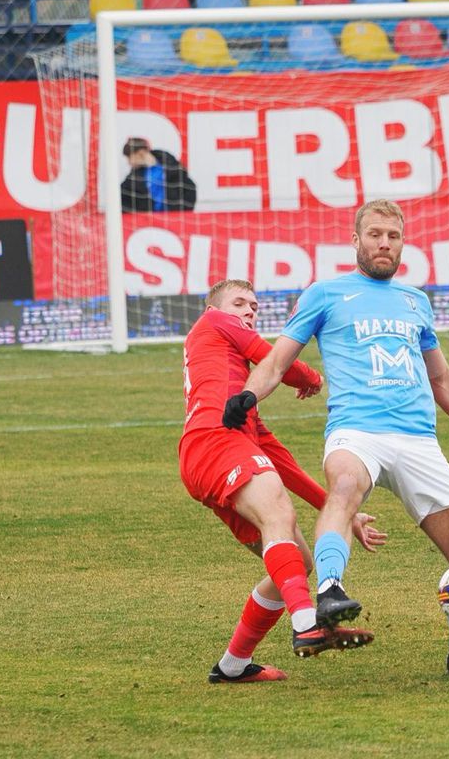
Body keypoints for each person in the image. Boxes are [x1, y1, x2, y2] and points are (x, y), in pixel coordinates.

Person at [222, 199, 449, 675]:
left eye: (392, 236)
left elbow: (444, 382)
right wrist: (249, 395)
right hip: (356, 430)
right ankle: (329, 591)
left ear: (402, 242)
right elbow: (277, 361)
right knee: (345, 487)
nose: (383, 243)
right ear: (356, 240)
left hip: (418, 441)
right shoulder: (325, 294)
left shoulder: (416, 301)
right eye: (374, 234)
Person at [181, 278, 387, 684]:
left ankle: (233, 665)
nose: (249, 311)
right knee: (277, 512)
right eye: (240, 302)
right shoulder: (214, 323)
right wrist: (312, 378)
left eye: (255, 306)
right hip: (214, 441)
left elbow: (283, 463)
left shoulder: (241, 405)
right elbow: (278, 360)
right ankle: (307, 623)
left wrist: (344, 512)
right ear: (215, 309)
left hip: (209, 452)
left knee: (297, 560)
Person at [121, 137, 197, 213]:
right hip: (149, 221)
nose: (129, 162)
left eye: (129, 158)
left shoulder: (171, 166)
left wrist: (183, 212)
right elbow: (123, 197)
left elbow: (190, 188)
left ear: (141, 153)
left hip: (174, 218)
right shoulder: (133, 177)